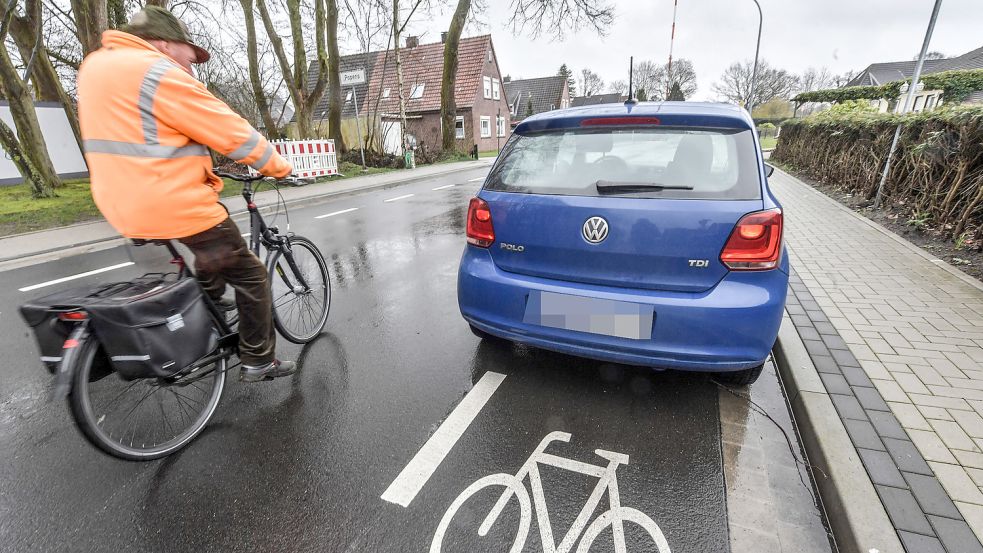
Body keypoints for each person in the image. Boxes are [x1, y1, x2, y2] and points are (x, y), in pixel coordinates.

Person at [77, 7, 295, 383]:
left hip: (119, 204)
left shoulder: (94, 68)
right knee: (252, 276)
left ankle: (202, 324)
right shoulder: (156, 71)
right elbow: (228, 130)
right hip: (171, 202)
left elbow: (148, 135)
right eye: (188, 56)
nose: (191, 66)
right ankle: (259, 361)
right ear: (163, 43)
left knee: (209, 259)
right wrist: (279, 166)